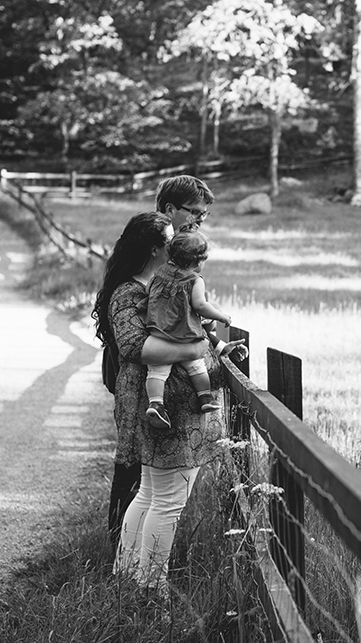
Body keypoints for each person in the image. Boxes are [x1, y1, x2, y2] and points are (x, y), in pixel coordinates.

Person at [91, 203, 245, 584]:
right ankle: (151, 586)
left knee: (149, 494)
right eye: (168, 240)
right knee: (168, 502)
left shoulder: (163, 287)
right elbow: (132, 347)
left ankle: (129, 577)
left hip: (172, 406)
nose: (176, 244)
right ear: (153, 250)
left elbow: (197, 327)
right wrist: (194, 351)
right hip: (166, 410)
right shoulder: (130, 292)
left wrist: (216, 346)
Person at [143, 224, 231, 427]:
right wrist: (221, 316)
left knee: (156, 372)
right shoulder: (195, 280)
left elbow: (148, 290)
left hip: (158, 333)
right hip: (184, 335)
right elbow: (201, 305)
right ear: (198, 260)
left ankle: (155, 404)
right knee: (197, 367)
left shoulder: (161, 271)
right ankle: (205, 398)